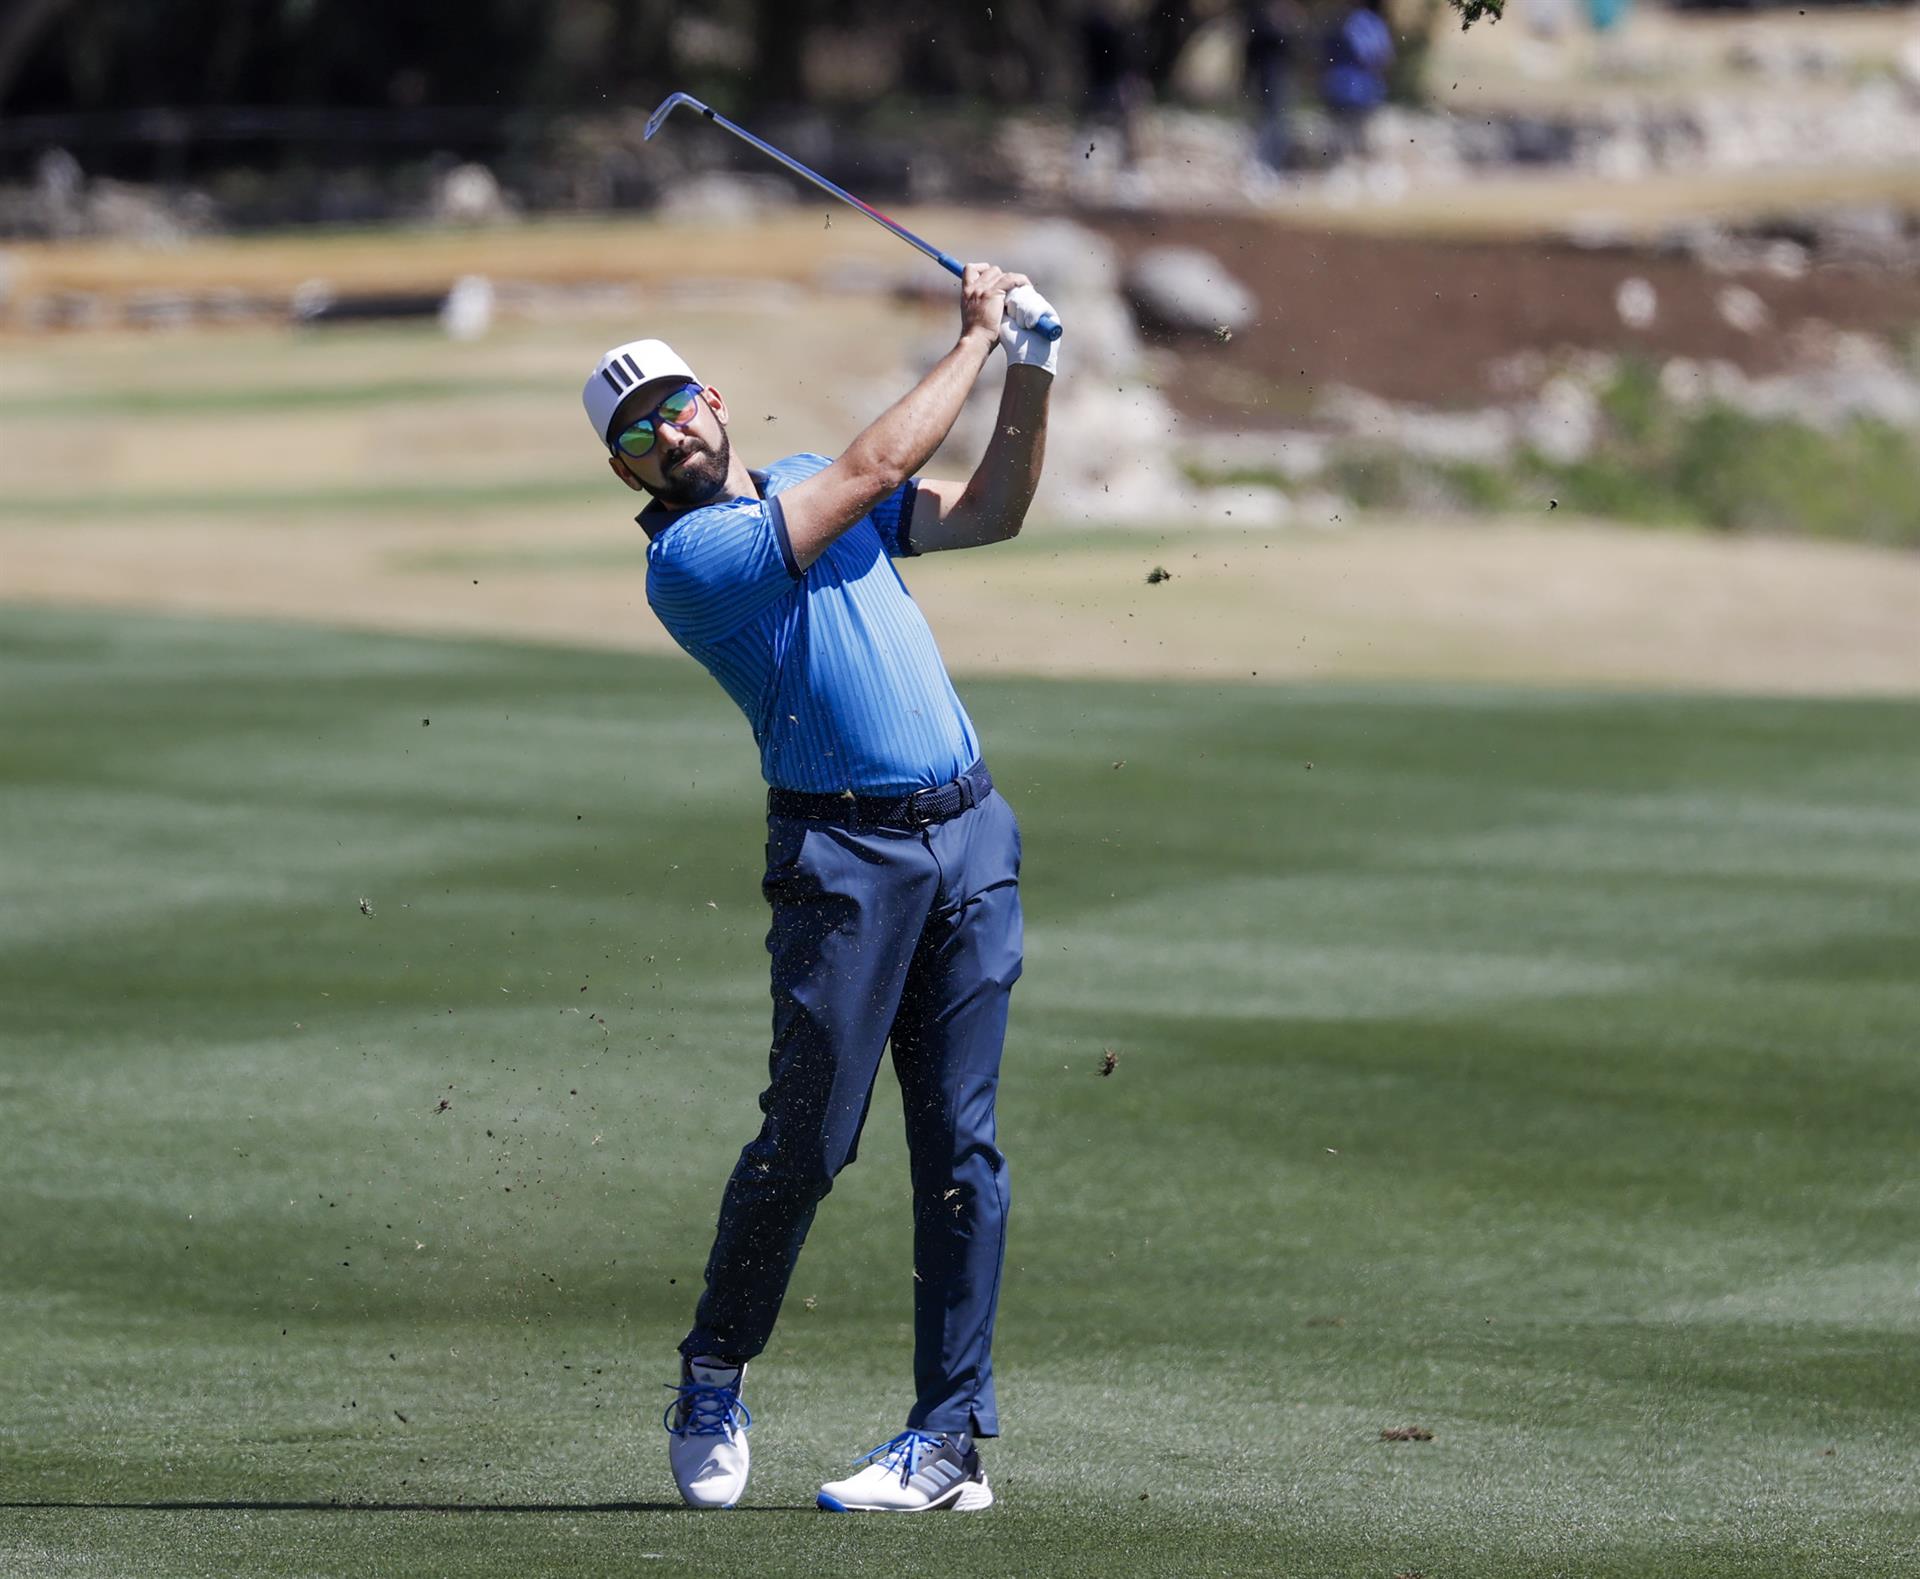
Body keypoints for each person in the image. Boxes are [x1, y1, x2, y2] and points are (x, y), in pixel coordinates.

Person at [580, 264, 1057, 1514]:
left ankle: (948, 1443)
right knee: (809, 1142)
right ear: (627, 472)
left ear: (716, 400)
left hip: (970, 838)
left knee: (963, 1149)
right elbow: (872, 474)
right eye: (638, 432)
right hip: (844, 864)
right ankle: (714, 1370)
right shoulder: (693, 558)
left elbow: (993, 511)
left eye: (676, 404)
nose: (668, 430)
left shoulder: (801, 483)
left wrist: (1031, 373)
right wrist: (973, 338)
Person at [1320, 0, 1396, 162]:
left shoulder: (1347, 20)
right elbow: (1379, 54)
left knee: (1350, 133)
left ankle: (1349, 164)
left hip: (1348, 86)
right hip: (1355, 87)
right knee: (1355, 133)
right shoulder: (1366, 22)